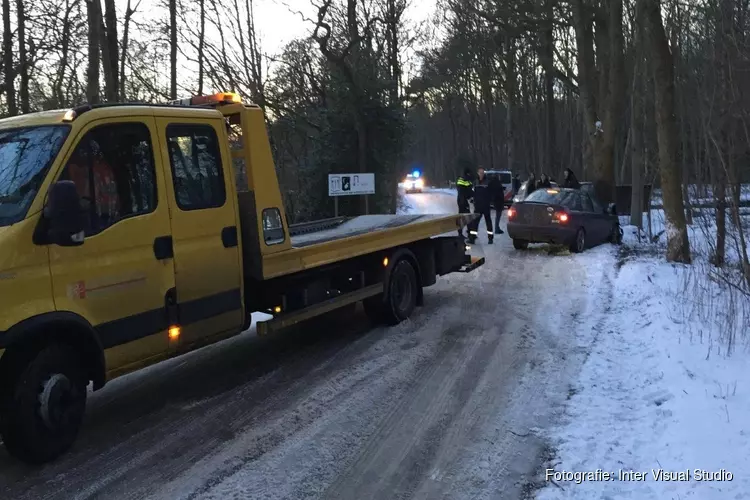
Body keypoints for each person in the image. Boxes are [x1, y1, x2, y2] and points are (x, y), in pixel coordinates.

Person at [468, 168, 494, 244]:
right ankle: (472, 238)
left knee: (488, 223)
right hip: (478, 206)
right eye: (480, 172)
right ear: (478, 173)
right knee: (475, 223)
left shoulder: (488, 182)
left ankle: (490, 238)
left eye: (482, 172)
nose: (481, 174)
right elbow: (473, 192)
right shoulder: (475, 182)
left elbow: (491, 193)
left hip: (486, 205)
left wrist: (489, 201)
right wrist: (473, 199)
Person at [456, 167, 474, 238]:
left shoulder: (463, 180)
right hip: (463, 201)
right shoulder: (464, 180)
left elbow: (468, 191)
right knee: (466, 217)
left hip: (462, 200)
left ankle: (464, 232)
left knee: (463, 216)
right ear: (468, 173)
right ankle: (467, 233)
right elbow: (466, 191)